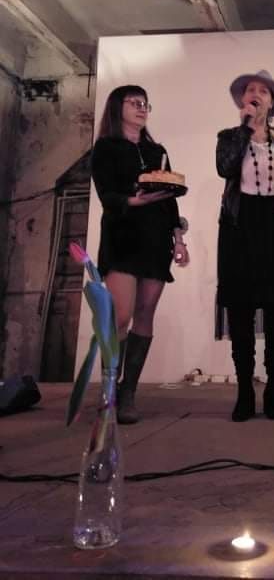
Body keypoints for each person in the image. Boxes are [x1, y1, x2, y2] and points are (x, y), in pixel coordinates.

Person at [90, 85, 189, 425]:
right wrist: (135, 200)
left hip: (156, 240)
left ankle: (128, 392)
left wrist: (179, 239)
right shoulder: (106, 147)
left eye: (145, 103)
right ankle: (109, 387)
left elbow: (170, 198)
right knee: (121, 316)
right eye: (134, 102)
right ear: (117, 108)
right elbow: (107, 195)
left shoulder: (156, 150)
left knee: (145, 314)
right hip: (122, 238)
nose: (142, 107)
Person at [215, 70, 274, 422]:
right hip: (240, 227)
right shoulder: (229, 136)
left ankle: (273, 389)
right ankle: (244, 389)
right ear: (243, 100)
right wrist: (244, 128)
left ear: (273, 101)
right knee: (241, 310)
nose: (255, 94)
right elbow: (224, 168)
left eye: (263, 91)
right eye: (250, 90)